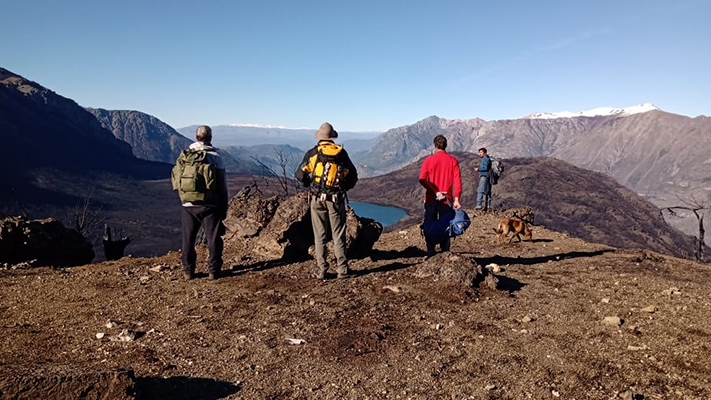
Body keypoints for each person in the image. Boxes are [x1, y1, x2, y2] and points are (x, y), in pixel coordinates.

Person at [295, 122, 358, 280]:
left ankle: (322, 270)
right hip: (336, 199)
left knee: (320, 235)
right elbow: (353, 176)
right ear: (332, 137)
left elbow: (300, 174)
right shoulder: (341, 154)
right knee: (338, 234)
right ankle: (342, 270)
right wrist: (343, 188)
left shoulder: (313, 153)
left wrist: (309, 184)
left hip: (317, 198)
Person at [175, 125, 228, 280]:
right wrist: (223, 207)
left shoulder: (185, 156)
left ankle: (188, 271)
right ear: (210, 137)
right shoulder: (215, 157)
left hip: (188, 204)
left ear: (196, 137)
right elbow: (222, 186)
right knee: (213, 238)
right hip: (210, 205)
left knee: (188, 239)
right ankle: (213, 270)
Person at [418, 135, 462, 257]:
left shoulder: (429, 160)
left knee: (429, 223)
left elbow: (422, 179)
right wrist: (457, 198)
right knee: (446, 224)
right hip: (447, 200)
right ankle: (445, 251)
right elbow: (457, 181)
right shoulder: (453, 161)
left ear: (435, 146)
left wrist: (435, 191)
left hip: (431, 198)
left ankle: (431, 250)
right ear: (445, 146)